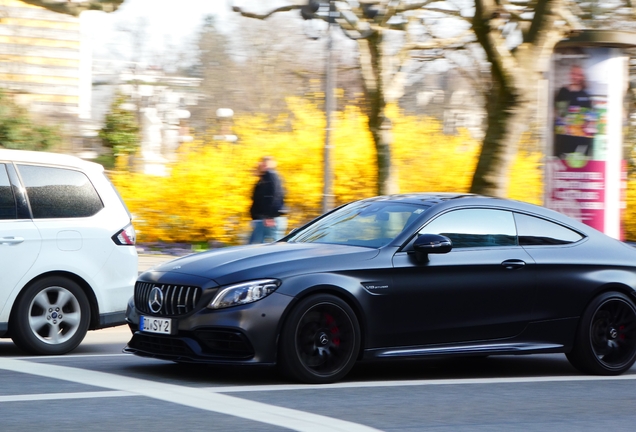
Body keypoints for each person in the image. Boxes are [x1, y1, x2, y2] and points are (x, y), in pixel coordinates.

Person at [554, 63, 596, 157]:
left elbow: (589, 119)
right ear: (570, 74)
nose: (576, 77)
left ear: (582, 77)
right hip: (563, 137)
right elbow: (557, 112)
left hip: (579, 138)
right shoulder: (563, 91)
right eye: (574, 74)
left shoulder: (585, 95)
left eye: (579, 75)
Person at [249, 156, 288, 243]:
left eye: (263, 163)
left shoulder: (271, 176)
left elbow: (275, 195)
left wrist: (270, 216)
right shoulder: (266, 178)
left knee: (257, 247)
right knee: (259, 247)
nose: (260, 165)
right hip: (265, 219)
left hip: (268, 220)